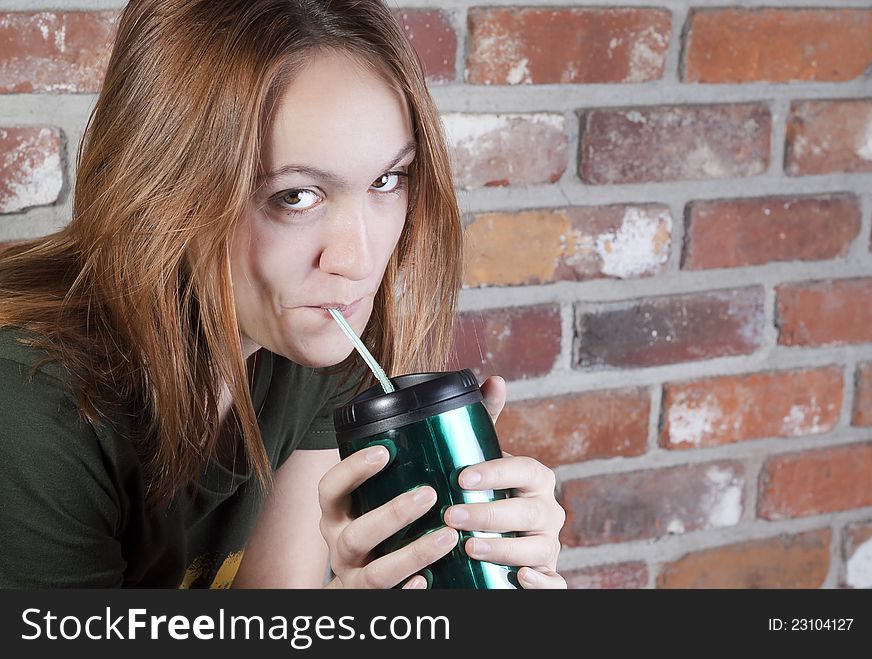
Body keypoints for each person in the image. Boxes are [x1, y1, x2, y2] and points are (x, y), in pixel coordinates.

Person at [0, 0, 566, 589]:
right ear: (163, 189)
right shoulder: (31, 409)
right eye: (295, 196)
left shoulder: (312, 341)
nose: (356, 261)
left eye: (386, 180)